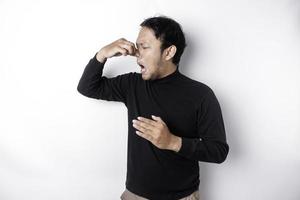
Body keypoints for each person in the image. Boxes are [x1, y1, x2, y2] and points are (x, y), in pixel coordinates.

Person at [77, 16, 229, 200]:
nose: (137, 54)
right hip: (135, 195)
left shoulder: (201, 95)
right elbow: (87, 87)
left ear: (169, 52)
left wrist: (172, 141)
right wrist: (102, 54)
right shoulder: (132, 84)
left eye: (145, 46)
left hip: (182, 196)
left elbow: (218, 151)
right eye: (137, 46)